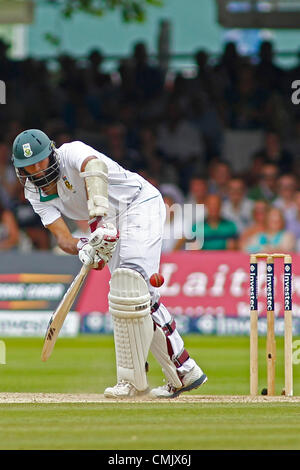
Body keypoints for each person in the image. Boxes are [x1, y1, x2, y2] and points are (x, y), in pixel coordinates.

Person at [12, 129, 207, 399]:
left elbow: (94, 168)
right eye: (28, 167)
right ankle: (180, 372)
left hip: (139, 205)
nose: (36, 170)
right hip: (109, 224)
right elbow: (63, 238)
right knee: (129, 296)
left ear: (51, 154)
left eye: (40, 161)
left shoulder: (71, 152)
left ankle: (145, 378)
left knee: (132, 286)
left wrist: (99, 220)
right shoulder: (34, 193)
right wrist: (85, 247)